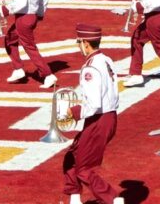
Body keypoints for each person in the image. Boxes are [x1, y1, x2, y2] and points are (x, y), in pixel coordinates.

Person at [62, 24, 123, 204]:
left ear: (86, 43)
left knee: (84, 169)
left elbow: (94, 103)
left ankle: (113, 199)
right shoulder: (106, 59)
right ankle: (74, 198)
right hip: (107, 117)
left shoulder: (90, 67)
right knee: (72, 155)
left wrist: (72, 112)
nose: (78, 45)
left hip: (99, 120)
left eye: (78, 42)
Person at [1, 0, 55, 87]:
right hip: (33, 16)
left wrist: (7, 9)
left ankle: (47, 74)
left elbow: (21, 3)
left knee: (29, 47)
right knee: (10, 39)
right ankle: (18, 68)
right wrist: (41, 14)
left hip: (23, 18)